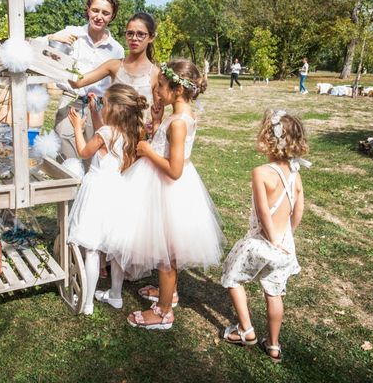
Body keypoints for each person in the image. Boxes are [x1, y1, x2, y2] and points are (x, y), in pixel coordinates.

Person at [102, 59, 225, 330]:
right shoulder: (178, 115)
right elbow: (166, 144)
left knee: (166, 254)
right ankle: (170, 292)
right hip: (161, 188)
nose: (156, 92)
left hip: (168, 190)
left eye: (160, 87)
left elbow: (175, 169)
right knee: (167, 249)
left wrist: (147, 151)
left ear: (177, 89)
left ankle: (163, 312)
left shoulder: (179, 123)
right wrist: (157, 121)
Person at [220, 109, 309, 363]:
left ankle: (246, 330)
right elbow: (299, 207)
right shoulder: (295, 172)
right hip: (284, 245)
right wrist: (286, 235)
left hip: (262, 241)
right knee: (274, 293)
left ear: (270, 140)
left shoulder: (261, 172)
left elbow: (262, 212)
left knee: (232, 276)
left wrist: (270, 239)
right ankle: (273, 345)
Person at [67, 84, 148, 315]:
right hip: (119, 193)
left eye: (103, 104)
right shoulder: (131, 132)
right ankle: (115, 295)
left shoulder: (105, 134)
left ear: (113, 109)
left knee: (92, 249)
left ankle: (87, 303)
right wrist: (94, 111)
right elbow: (104, 131)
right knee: (116, 248)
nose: (102, 107)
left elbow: (84, 152)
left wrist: (77, 128)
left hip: (97, 193)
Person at [49, 0, 125, 164]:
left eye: (105, 13)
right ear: (88, 10)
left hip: (99, 107)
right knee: (66, 159)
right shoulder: (71, 33)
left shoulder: (117, 49)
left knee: (93, 161)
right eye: (95, 10)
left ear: (112, 17)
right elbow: (40, 46)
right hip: (70, 102)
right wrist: (53, 37)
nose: (99, 16)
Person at [69, 12, 161, 134]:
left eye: (140, 34)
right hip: (110, 137)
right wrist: (56, 57)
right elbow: (78, 83)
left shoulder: (156, 73)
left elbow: (158, 117)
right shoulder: (113, 65)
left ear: (151, 37)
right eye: (130, 33)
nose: (134, 38)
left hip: (137, 139)